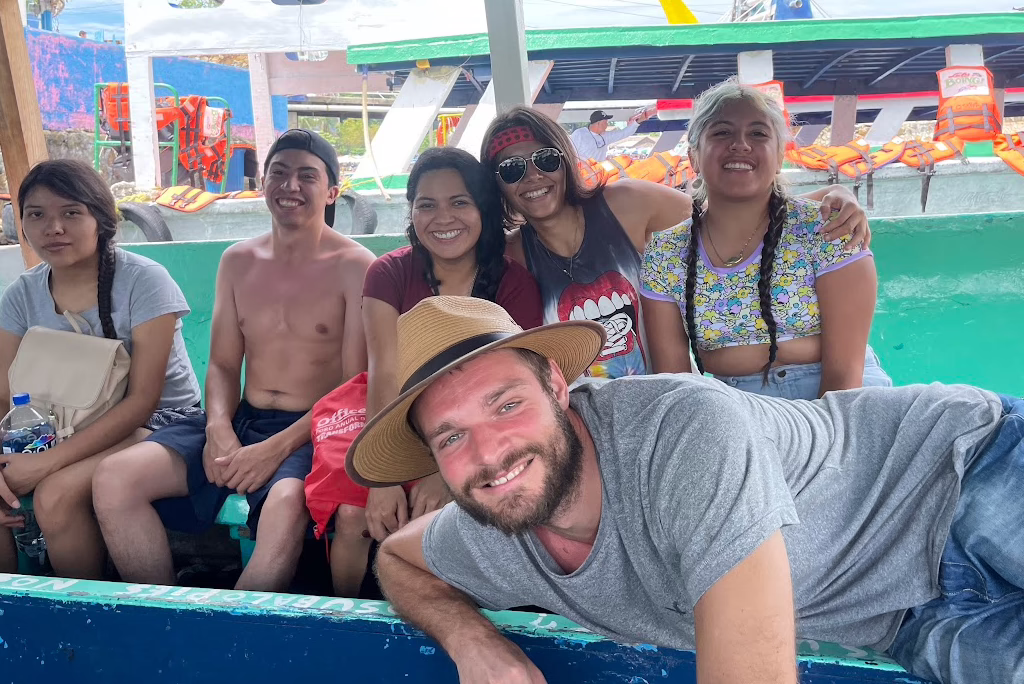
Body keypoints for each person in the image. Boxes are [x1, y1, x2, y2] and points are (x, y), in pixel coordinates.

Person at [349, 296, 1023, 684]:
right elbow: (400, 560)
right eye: (450, 437)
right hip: (907, 616)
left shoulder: (680, 434)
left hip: (962, 466)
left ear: (559, 386)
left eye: (504, 405)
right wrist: (475, 644)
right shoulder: (495, 518)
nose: (489, 453)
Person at [92, 129, 375, 592]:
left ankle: (228, 641)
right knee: (115, 477)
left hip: (313, 428)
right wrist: (220, 428)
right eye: (278, 174)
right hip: (241, 419)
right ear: (263, 184)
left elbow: (352, 387)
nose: (291, 187)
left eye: (308, 175)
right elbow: (223, 365)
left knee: (285, 504)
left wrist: (275, 449)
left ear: (332, 191)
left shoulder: (355, 266)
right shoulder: (238, 261)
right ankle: (168, 619)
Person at [481, 106, 871, 380]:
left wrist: (829, 195)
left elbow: (734, 217)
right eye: (512, 169)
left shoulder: (627, 205)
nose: (533, 177)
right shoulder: (513, 257)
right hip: (585, 420)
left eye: (546, 160)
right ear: (496, 185)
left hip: (663, 400)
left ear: (565, 160)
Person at [331, 147, 543, 597]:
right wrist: (383, 476)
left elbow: (514, 382)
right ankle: (347, 621)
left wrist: (443, 471)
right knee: (352, 517)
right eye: (427, 204)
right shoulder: (388, 273)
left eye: (459, 202)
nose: (442, 217)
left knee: (454, 513)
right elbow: (384, 373)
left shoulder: (514, 283)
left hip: (481, 429)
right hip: (398, 421)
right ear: (412, 212)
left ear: (484, 209)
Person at [0, 159, 201, 578]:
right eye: (36, 215)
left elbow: (143, 400)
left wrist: (45, 463)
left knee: (55, 495)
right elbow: (4, 395)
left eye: (71, 213)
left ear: (101, 219)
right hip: (56, 426)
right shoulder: (22, 294)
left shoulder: (143, 281)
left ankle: (93, 621)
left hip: (162, 423)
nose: (53, 228)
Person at [641, 78, 892, 399]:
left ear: (779, 157)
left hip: (839, 398)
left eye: (758, 133)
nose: (740, 144)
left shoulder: (828, 230)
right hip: (732, 406)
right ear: (693, 157)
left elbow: (844, 376)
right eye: (721, 132)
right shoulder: (665, 253)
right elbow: (675, 382)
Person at [568, 109, 651, 163]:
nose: (607, 125)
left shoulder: (605, 136)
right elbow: (570, 153)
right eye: (605, 122)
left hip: (599, 172)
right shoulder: (579, 134)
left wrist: (639, 121)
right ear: (598, 123)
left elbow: (624, 133)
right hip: (583, 173)